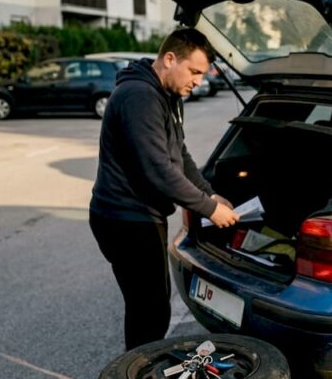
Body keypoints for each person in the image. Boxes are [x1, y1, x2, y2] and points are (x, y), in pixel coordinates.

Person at [90, 28, 239, 351]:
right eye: (195, 71)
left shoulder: (166, 96)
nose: (198, 81)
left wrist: (209, 193)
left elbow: (179, 155)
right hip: (125, 219)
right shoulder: (139, 97)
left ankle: (139, 378)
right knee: (150, 309)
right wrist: (210, 210)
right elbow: (158, 170)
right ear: (170, 59)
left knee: (152, 306)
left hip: (140, 216)